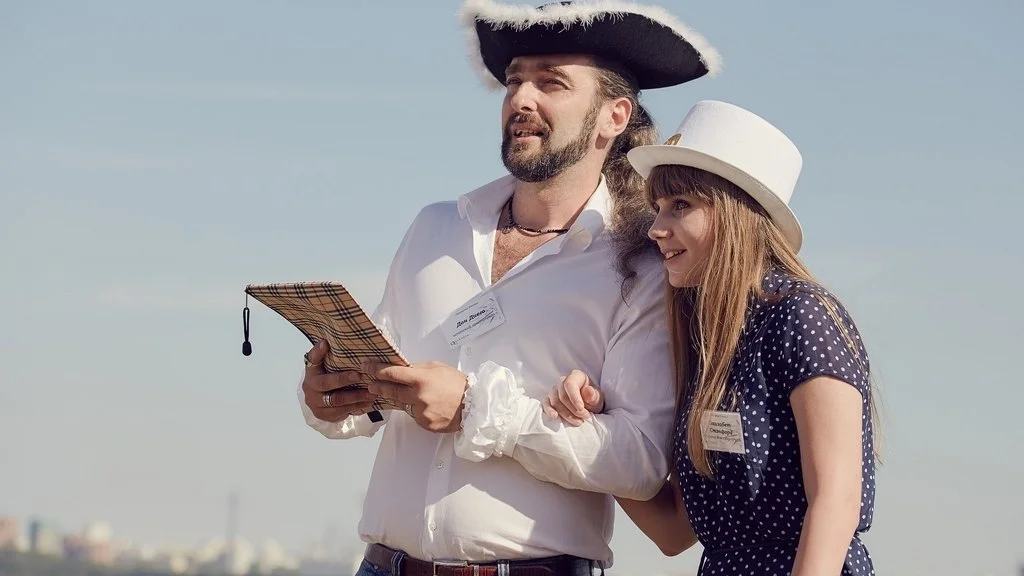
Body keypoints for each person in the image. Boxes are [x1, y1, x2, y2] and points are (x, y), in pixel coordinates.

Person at [296, 1, 723, 575]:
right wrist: (335, 397)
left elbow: (639, 461)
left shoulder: (643, 269)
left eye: (551, 83)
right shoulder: (434, 228)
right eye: (514, 80)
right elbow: (377, 386)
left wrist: (475, 409)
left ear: (614, 116)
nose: (521, 98)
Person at [545, 100, 880, 576]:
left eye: (680, 206)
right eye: (658, 208)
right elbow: (673, 532)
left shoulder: (802, 316)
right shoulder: (708, 341)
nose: (656, 229)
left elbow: (837, 500)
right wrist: (596, 426)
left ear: (737, 212)